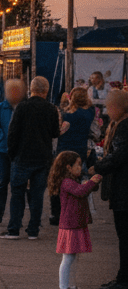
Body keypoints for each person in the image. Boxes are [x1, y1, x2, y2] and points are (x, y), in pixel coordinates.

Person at [0, 76, 60, 240]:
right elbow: (55, 133)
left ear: (31, 89)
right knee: (37, 195)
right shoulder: (51, 109)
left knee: (17, 193)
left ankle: (14, 229)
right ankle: (33, 230)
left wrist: (12, 154)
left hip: (22, 156)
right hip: (42, 157)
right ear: (46, 91)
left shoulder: (22, 107)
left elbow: (13, 133)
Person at [48, 151, 101, 289]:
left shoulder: (70, 181)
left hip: (74, 223)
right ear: (68, 167)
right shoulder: (67, 182)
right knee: (69, 258)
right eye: (78, 165)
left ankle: (70, 285)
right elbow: (80, 192)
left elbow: (83, 190)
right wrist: (92, 181)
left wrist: (91, 183)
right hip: (71, 224)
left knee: (73, 257)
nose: (81, 167)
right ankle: (63, 288)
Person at [92, 88, 128, 289]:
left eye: (109, 105)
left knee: (124, 237)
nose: (107, 109)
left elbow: (119, 156)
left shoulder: (124, 127)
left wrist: (98, 167)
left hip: (124, 191)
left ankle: (123, 279)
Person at [49, 87, 96, 225]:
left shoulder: (65, 114)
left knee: (58, 182)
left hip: (63, 151)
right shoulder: (90, 113)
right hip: (79, 152)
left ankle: (57, 214)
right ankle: (74, 213)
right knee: (75, 184)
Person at [0, 79, 25, 226]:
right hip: (4, 150)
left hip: (19, 152)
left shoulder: (23, 107)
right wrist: (3, 136)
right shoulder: (2, 107)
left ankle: (16, 218)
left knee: (17, 185)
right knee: (2, 183)